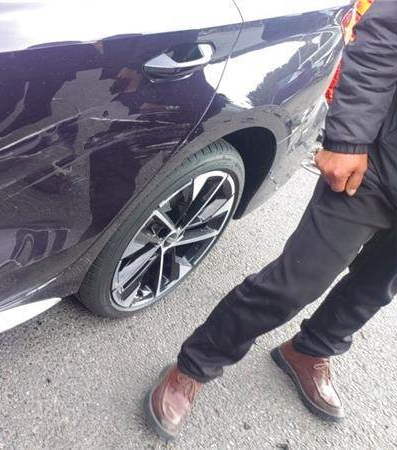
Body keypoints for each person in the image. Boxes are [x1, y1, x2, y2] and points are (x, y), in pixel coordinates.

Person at [145, 1, 397, 440]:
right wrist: (349, 139)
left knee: (374, 290)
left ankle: (310, 350)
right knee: (295, 282)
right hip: (376, 169)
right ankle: (196, 364)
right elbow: (384, 41)